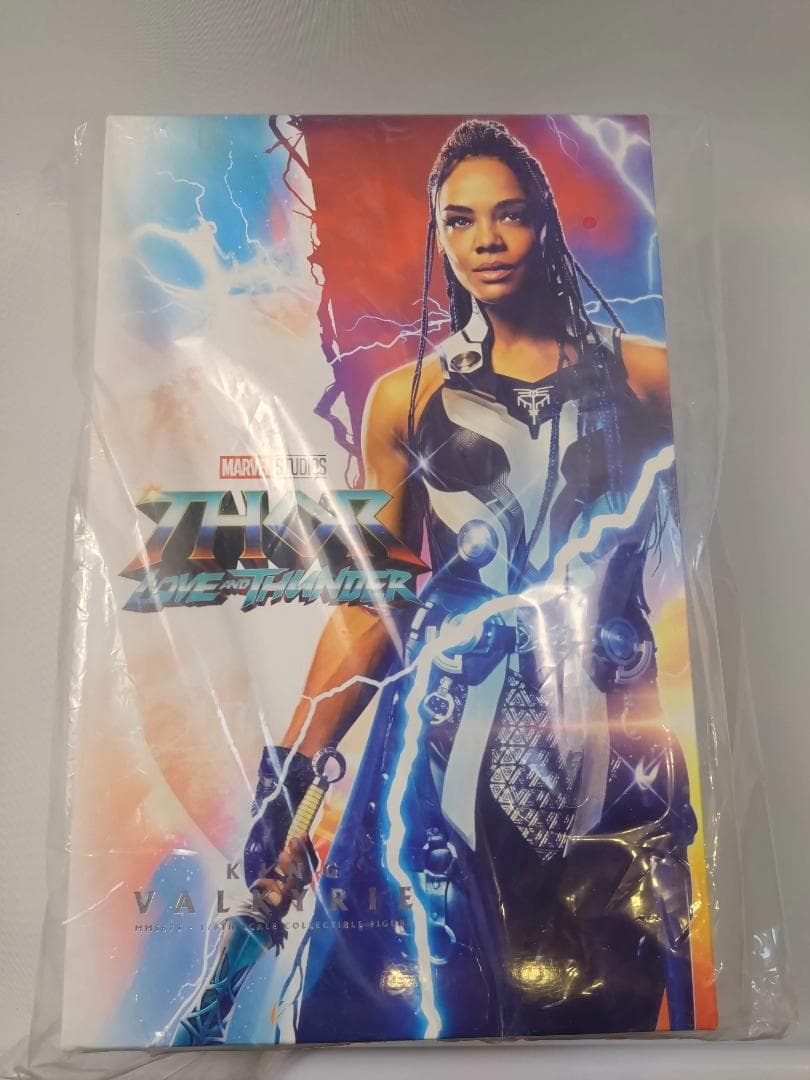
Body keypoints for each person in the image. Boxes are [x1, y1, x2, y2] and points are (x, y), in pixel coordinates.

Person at [172, 119, 697, 1045]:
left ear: (545, 224)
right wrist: (293, 774)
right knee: (395, 1013)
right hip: (444, 749)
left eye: (509, 215)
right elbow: (375, 602)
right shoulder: (406, 399)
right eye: (460, 221)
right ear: (441, 236)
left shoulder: (651, 378)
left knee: (595, 1024)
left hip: (606, 755)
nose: (486, 240)